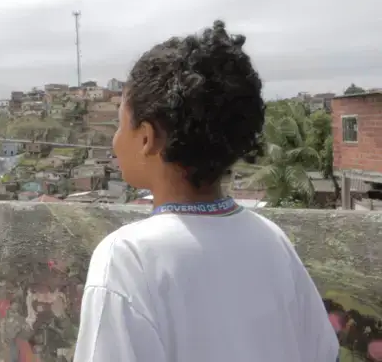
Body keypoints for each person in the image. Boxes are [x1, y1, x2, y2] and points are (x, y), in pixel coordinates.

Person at [74, 21, 338, 362]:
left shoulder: (126, 259)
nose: (114, 139)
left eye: (119, 123)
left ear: (146, 138)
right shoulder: (272, 240)